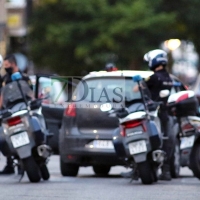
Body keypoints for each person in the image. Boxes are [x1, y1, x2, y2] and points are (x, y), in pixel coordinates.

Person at [122, 49, 173, 180]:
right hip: (165, 113)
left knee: (148, 138)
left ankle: (137, 169)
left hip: (153, 113)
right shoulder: (168, 77)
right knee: (165, 141)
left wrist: (140, 84)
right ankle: (166, 171)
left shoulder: (154, 77)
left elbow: (136, 89)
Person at [0, 54, 33, 175]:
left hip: (24, 108)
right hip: (9, 111)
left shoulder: (24, 78)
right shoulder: (5, 80)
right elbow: (2, 97)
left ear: (14, 64)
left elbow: (31, 94)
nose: (6, 68)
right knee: (7, 137)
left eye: (7, 65)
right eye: (5, 66)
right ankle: (11, 163)